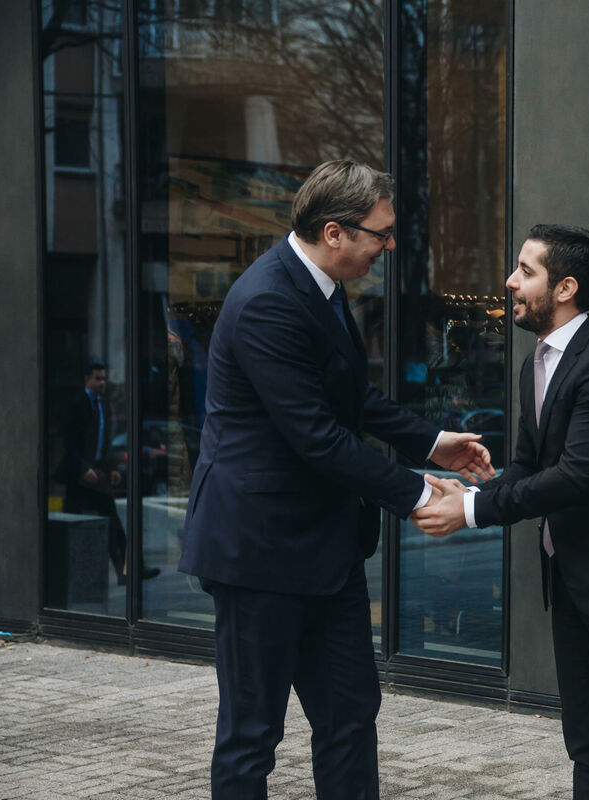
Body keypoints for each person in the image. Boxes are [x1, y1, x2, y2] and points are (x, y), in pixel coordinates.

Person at [178, 160, 493, 800]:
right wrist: (416, 494)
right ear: (334, 233)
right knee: (251, 736)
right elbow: (316, 436)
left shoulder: (320, 286)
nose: (390, 245)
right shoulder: (268, 301)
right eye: (382, 233)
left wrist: (435, 444)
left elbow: (351, 399)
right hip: (259, 554)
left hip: (327, 552)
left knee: (350, 717)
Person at [412, 224, 589, 800]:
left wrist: (472, 509)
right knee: (586, 746)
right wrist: (477, 489)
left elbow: (575, 477)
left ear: (565, 288)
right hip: (570, 579)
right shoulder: (536, 362)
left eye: (525, 270)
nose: (510, 281)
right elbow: (530, 466)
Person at [55, 360, 160, 585]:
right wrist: (83, 469)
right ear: (87, 379)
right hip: (79, 475)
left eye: (104, 379)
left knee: (113, 523)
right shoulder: (77, 404)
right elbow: (70, 444)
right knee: (71, 522)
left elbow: (106, 441)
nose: (102, 383)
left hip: (98, 474)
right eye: (98, 378)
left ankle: (129, 569)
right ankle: (60, 574)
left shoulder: (105, 405)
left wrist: (111, 468)